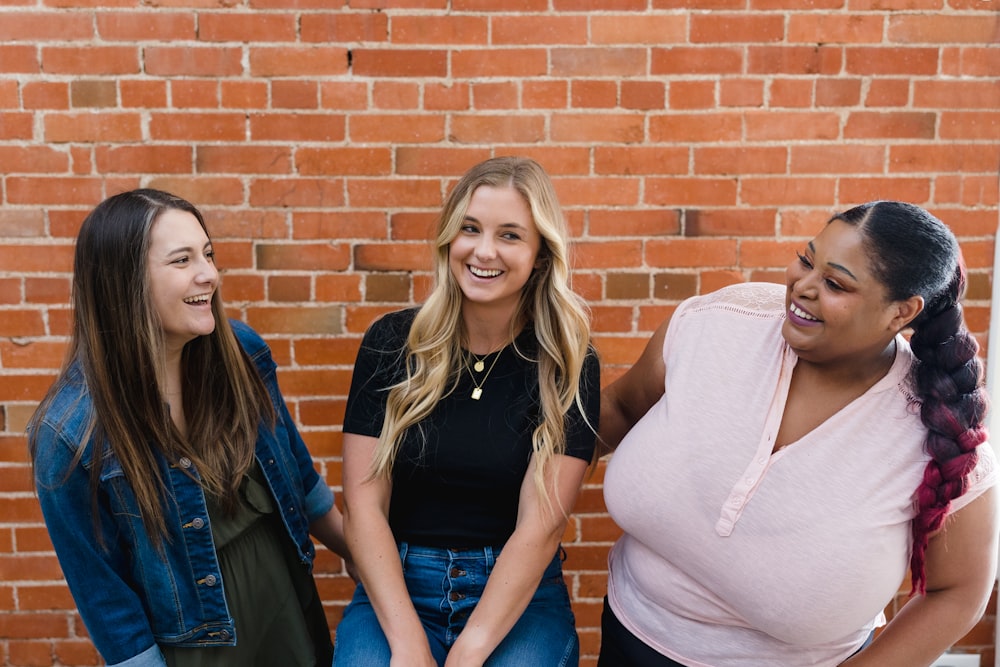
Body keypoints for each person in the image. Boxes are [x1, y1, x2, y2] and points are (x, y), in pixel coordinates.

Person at [598, 200, 999, 667]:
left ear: (900, 312)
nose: (803, 288)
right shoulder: (716, 324)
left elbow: (959, 591)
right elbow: (619, 408)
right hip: (628, 638)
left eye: (835, 284)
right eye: (807, 260)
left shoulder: (939, 430)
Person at [28, 189, 352, 667]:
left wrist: (370, 565)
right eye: (182, 260)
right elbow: (103, 593)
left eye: (208, 254)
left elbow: (298, 478)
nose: (209, 275)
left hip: (288, 611)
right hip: (196, 650)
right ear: (124, 281)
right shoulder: (70, 432)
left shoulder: (241, 353)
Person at [334, 156, 600, 666]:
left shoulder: (567, 362)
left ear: (541, 255)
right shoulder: (393, 343)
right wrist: (409, 643)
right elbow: (363, 506)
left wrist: (470, 651)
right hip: (399, 585)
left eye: (510, 235)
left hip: (516, 595)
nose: (483, 251)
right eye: (470, 229)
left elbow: (540, 527)